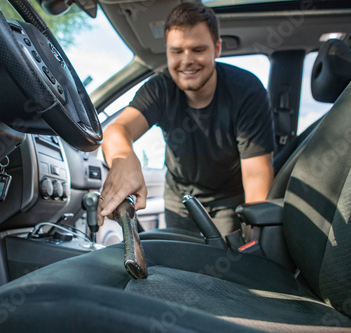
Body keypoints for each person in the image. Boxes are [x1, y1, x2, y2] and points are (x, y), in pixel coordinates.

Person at [98, 2, 275, 236]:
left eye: (198, 50)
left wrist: (257, 236)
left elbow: (256, 177)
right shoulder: (160, 89)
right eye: (177, 51)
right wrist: (124, 159)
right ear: (167, 51)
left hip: (228, 200)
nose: (186, 60)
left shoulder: (247, 91)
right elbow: (118, 129)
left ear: (217, 48)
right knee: (180, 265)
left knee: (222, 264)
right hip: (179, 198)